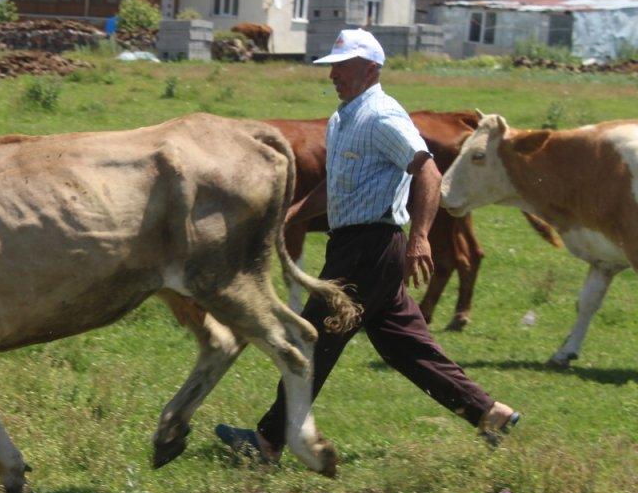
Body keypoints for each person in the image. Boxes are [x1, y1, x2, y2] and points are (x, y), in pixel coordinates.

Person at [215, 28, 519, 464]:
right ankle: (491, 415)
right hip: (358, 247)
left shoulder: (382, 115)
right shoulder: (344, 117)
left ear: (371, 69)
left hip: (370, 247)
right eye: (333, 66)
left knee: (311, 340)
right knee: (406, 348)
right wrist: (287, 218)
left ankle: (266, 442)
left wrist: (419, 239)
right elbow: (335, 189)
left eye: (344, 66)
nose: (335, 74)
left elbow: (427, 173)